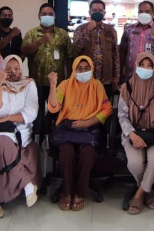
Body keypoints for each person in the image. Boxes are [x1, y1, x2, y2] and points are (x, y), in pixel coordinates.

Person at [47, 56, 113, 212]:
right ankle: (66, 191)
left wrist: (88, 122)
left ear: (92, 69)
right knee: (66, 153)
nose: (83, 72)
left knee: (87, 153)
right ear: (74, 70)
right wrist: (52, 85)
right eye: (79, 69)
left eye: (87, 68)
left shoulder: (97, 86)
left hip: (89, 129)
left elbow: (107, 109)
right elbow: (53, 107)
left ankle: (80, 192)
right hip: (67, 129)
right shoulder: (65, 85)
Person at [118, 53, 154, 215]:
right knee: (134, 164)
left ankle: (139, 194)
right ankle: (148, 189)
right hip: (132, 132)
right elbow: (122, 116)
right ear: (136, 66)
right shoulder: (126, 87)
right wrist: (132, 135)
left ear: (153, 68)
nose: (145, 68)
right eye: (142, 65)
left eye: (149, 65)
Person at [0, 55, 41, 218]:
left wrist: (7, 118)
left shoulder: (28, 84)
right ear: (2, 69)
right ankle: (27, 184)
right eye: (8, 69)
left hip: (21, 130)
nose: (13, 72)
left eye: (16, 69)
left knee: (19, 148)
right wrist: (0, 84)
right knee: (3, 144)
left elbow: (31, 113)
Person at [21, 3, 74, 135]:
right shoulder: (32, 33)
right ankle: (37, 139)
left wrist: (69, 79)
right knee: (37, 113)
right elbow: (24, 51)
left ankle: (54, 139)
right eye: (44, 14)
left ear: (55, 16)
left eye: (50, 14)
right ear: (39, 16)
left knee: (56, 113)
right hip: (36, 82)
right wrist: (40, 41)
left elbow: (70, 57)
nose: (47, 16)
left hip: (57, 83)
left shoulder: (62, 34)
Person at [73, 0, 120, 94]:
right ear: (89, 12)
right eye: (94, 10)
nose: (97, 12)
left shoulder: (111, 30)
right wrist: (88, 30)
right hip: (85, 77)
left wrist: (117, 77)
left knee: (105, 103)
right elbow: (76, 48)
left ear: (104, 13)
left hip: (106, 79)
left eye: (100, 10)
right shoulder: (80, 29)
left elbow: (116, 54)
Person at [119, 0, 154, 81]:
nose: (143, 14)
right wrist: (120, 74)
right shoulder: (129, 29)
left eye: (147, 12)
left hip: (153, 77)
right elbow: (122, 52)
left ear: (153, 13)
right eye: (141, 12)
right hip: (131, 76)